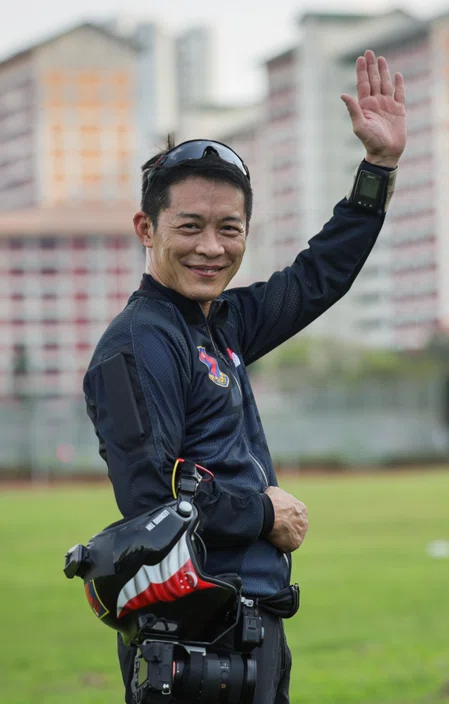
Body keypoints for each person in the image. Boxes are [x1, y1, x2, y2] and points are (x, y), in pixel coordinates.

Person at [82, 49, 406, 703]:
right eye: (190, 226)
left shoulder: (219, 323)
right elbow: (151, 500)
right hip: (193, 637)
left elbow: (316, 278)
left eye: (229, 229)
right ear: (147, 228)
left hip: (247, 627)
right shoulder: (140, 344)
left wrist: (378, 168)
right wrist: (262, 513)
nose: (211, 246)